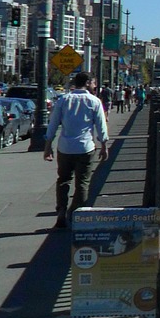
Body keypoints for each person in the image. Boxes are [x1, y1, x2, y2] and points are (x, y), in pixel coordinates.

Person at [44, 72, 109, 229]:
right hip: (85, 148)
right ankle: (75, 213)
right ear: (87, 83)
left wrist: (48, 146)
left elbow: (53, 124)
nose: (94, 86)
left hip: (65, 147)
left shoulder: (63, 100)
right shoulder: (94, 101)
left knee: (63, 179)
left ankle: (61, 209)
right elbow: (101, 126)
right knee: (83, 183)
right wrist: (104, 146)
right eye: (93, 83)